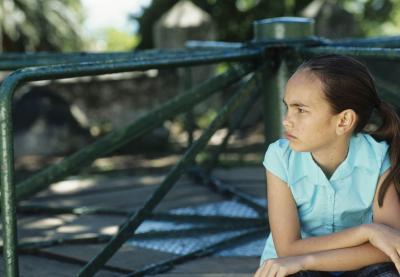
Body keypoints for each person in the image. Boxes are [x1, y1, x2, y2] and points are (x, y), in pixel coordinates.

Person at [254, 54, 400, 277]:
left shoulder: (377, 157)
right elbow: (288, 249)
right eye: (287, 107)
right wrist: (367, 232)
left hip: (355, 265)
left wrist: (307, 259)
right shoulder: (280, 157)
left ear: (343, 121)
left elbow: (393, 243)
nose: (286, 120)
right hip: (292, 266)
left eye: (300, 110)